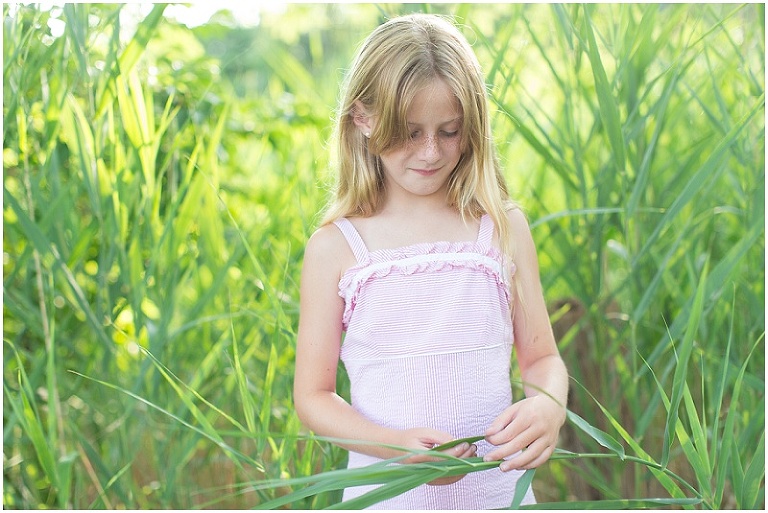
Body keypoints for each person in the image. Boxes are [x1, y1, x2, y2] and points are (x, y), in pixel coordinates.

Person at [294, 13, 569, 510]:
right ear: (362, 118)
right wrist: (394, 447)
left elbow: (542, 358)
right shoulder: (337, 247)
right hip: (387, 499)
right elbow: (314, 397)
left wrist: (547, 406)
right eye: (410, 132)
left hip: (497, 495)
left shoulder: (500, 229)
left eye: (450, 131)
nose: (430, 152)